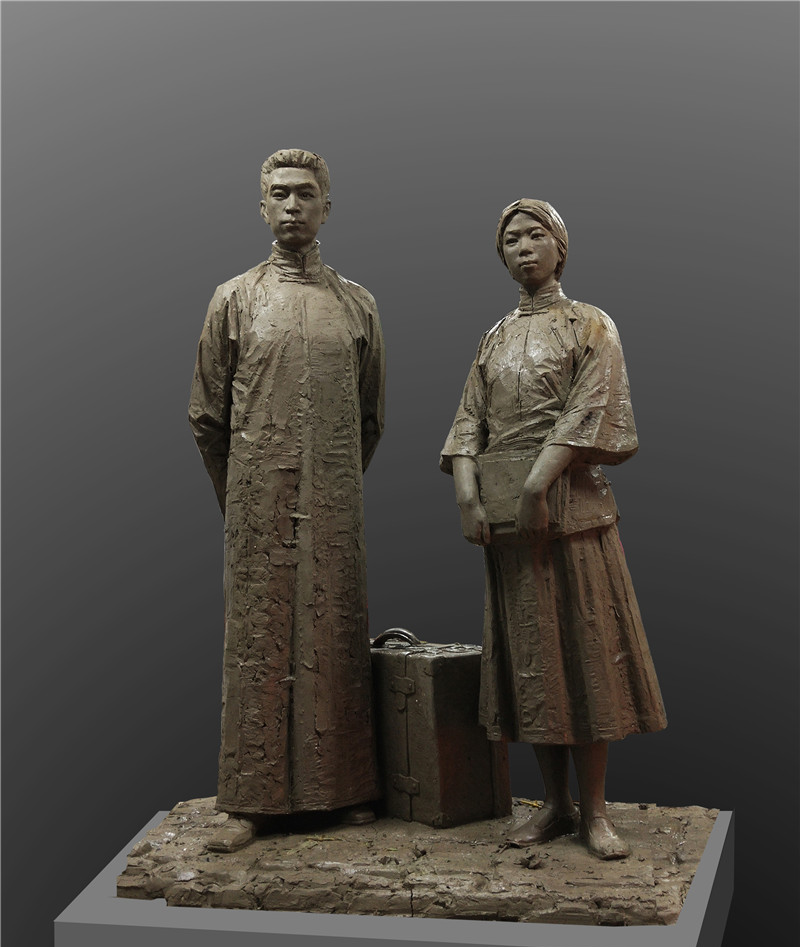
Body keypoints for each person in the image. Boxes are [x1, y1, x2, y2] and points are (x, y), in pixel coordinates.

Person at [440, 199, 666, 859]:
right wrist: (467, 497)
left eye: (535, 234)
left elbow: (590, 409)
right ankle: (555, 804)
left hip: (574, 517)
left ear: (560, 247)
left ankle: (595, 810)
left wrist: (538, 486)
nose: (523, 247)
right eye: (510, 239)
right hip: (511, 528)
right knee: (533, 665)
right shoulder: (494, 337)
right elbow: (469, 419)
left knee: (585, 658)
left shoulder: (590, 324)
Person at [189, 150, 385, 852]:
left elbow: (370, 416)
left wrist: (331, 485)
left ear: (327, 206)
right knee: (259, 646)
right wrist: (243, 497)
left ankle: (345, 789)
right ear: (263, 207)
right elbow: (206, 415)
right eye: (280, 194)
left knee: (335, 637)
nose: (293, 205)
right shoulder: (235, 299)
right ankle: (253, 802)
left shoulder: (357, 304)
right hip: (257, 504)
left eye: (305, 194)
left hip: (334, 506)